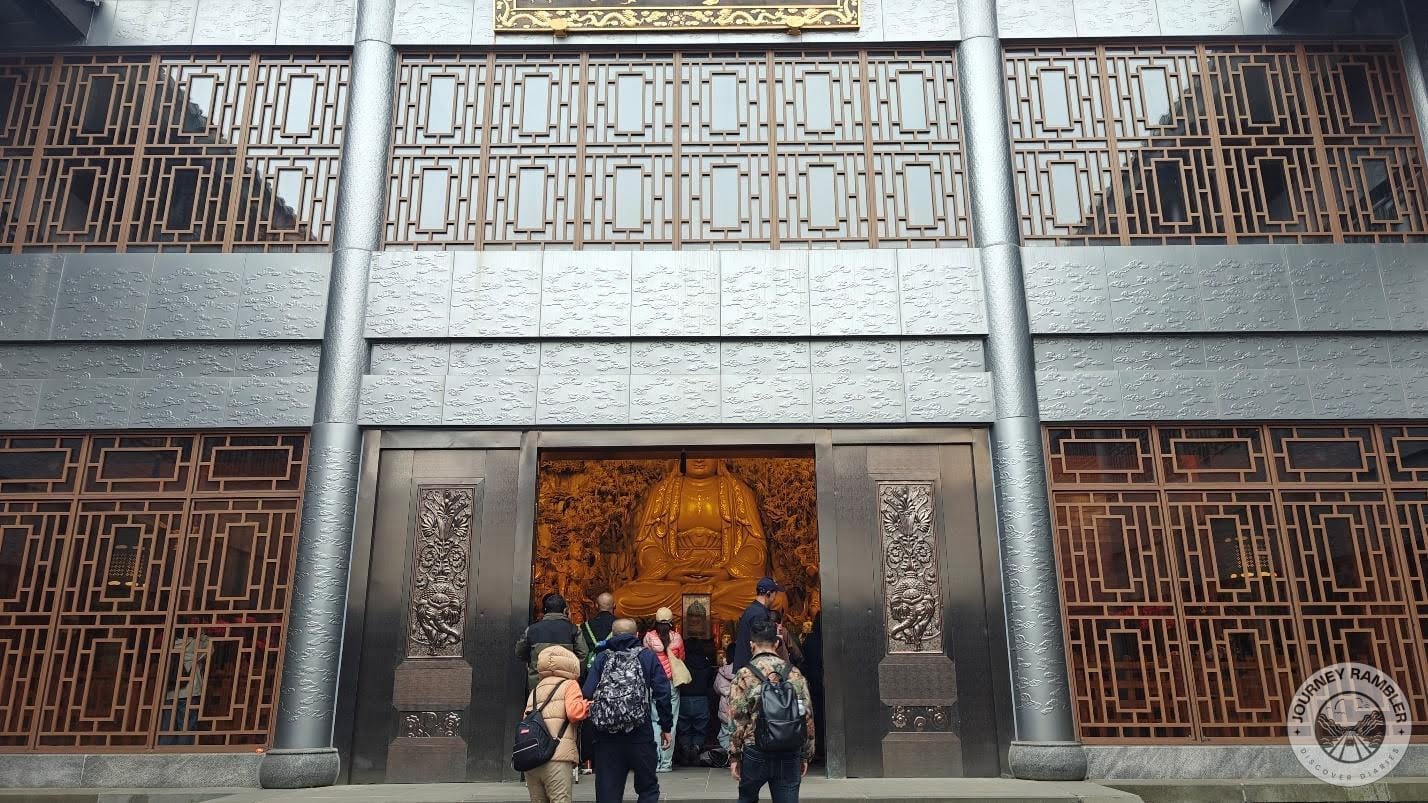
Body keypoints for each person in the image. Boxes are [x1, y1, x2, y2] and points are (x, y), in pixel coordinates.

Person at [583, 618, 673, 803]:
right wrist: (666, 726)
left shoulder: (602, 658)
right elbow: (663, 692)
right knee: (648, 788)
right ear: (637, 635)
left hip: (606, 736)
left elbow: (587, 691)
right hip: (640, 732)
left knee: (608, 791)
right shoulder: (647, 656)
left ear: (612, 635)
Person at [729, 620, 815, 803]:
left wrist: (734, 755)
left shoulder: (744, 674)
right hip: (789, 750)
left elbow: (737, 718)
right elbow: (806, 714)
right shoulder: (794, 674)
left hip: (755, 750)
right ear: (777, 643)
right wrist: (806, 754)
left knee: (747, 799)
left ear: (752, 645)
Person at [523, 645, 589, 803]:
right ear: (571, 664)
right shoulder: (570, 685)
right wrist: (586, 706)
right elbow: (574, 713)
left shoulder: (535, 690)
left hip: (532, 759)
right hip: (557, 756)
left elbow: (525, 721)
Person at [642, 607, 685, 772]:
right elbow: (681, 658)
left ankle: (656, 760)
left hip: (653, 683)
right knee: (671, 722)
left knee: (654, 721)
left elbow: (644, 659)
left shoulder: (648, 638)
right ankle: (666, 763)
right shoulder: (678, 638)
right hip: (671, 682)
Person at [517, 593, 589, 691]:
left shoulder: (531, 630)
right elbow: (584, 654)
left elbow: (520, 652)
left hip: (538, 684)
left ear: (544, 611)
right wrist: (573, 672)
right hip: (564, 684)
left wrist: (533, 663)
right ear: (565, 611)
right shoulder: (574, 630)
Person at [733, 577, 779, 672]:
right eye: (775, 594)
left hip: (746, 667)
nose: (775, 598)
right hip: (753, 670)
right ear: (768, 594)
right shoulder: (760, 614)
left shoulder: (752, 610)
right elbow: (762, 645)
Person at [714, 642, 736, 751]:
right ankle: (738, 755)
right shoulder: (745, 670)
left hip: (725, 706)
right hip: (738, 706)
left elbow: (716, 688)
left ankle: (729, 754)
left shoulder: (722, 670)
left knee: (725, 732)